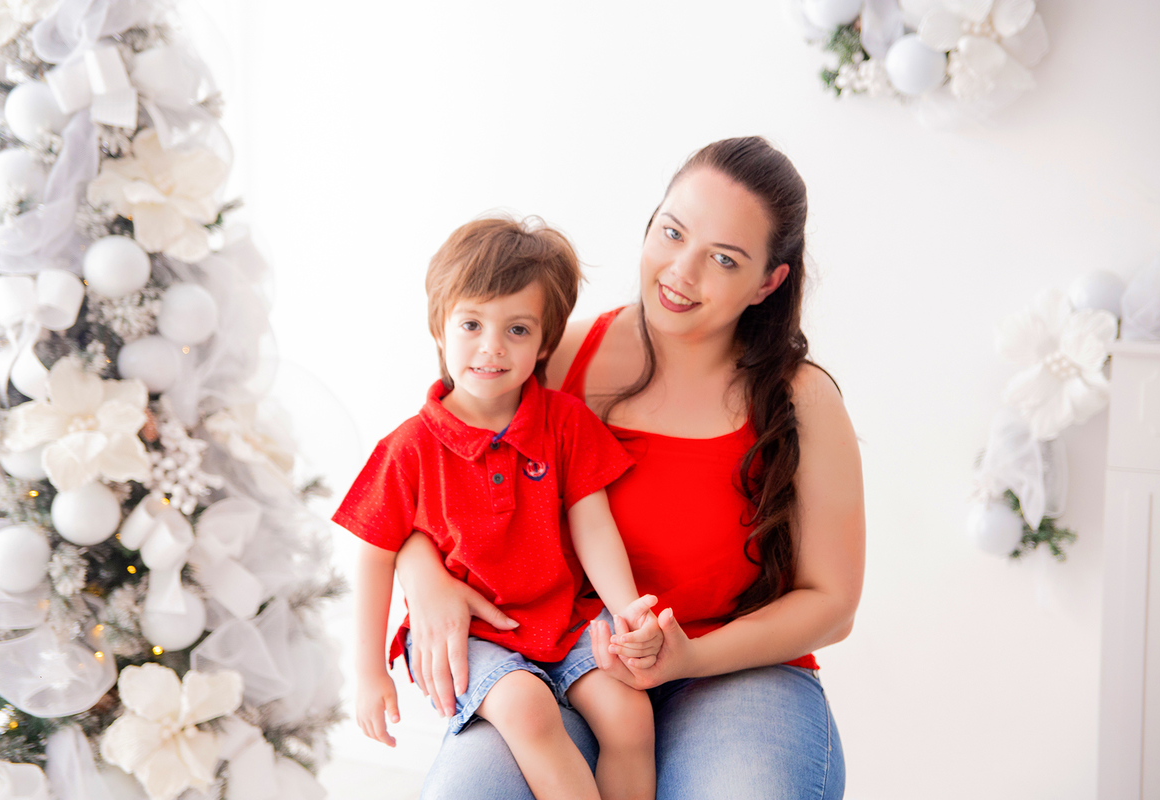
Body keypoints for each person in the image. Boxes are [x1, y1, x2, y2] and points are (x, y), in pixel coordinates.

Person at [393, 137, 865, 800]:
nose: (681, 272)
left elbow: (832, 603)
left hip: (738, 672)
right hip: (563, 655)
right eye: (671, 233)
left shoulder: (802, 398)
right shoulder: (556, 355)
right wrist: (424, 576)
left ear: (768, 282)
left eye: (723, 259)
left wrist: (691, 657)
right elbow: (424, 467)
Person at [333, 217, 665, 800]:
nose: (491, 346)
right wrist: (367, 673)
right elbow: (373, 557)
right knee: (528, 707)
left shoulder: (564, 422)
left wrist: (626, 610)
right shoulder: (408, 448)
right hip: (472, 635)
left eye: (516, 329)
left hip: (561, 620)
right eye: (471, 323)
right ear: (440, 328)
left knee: (630, 716)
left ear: (544, 343)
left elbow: (594, 525)